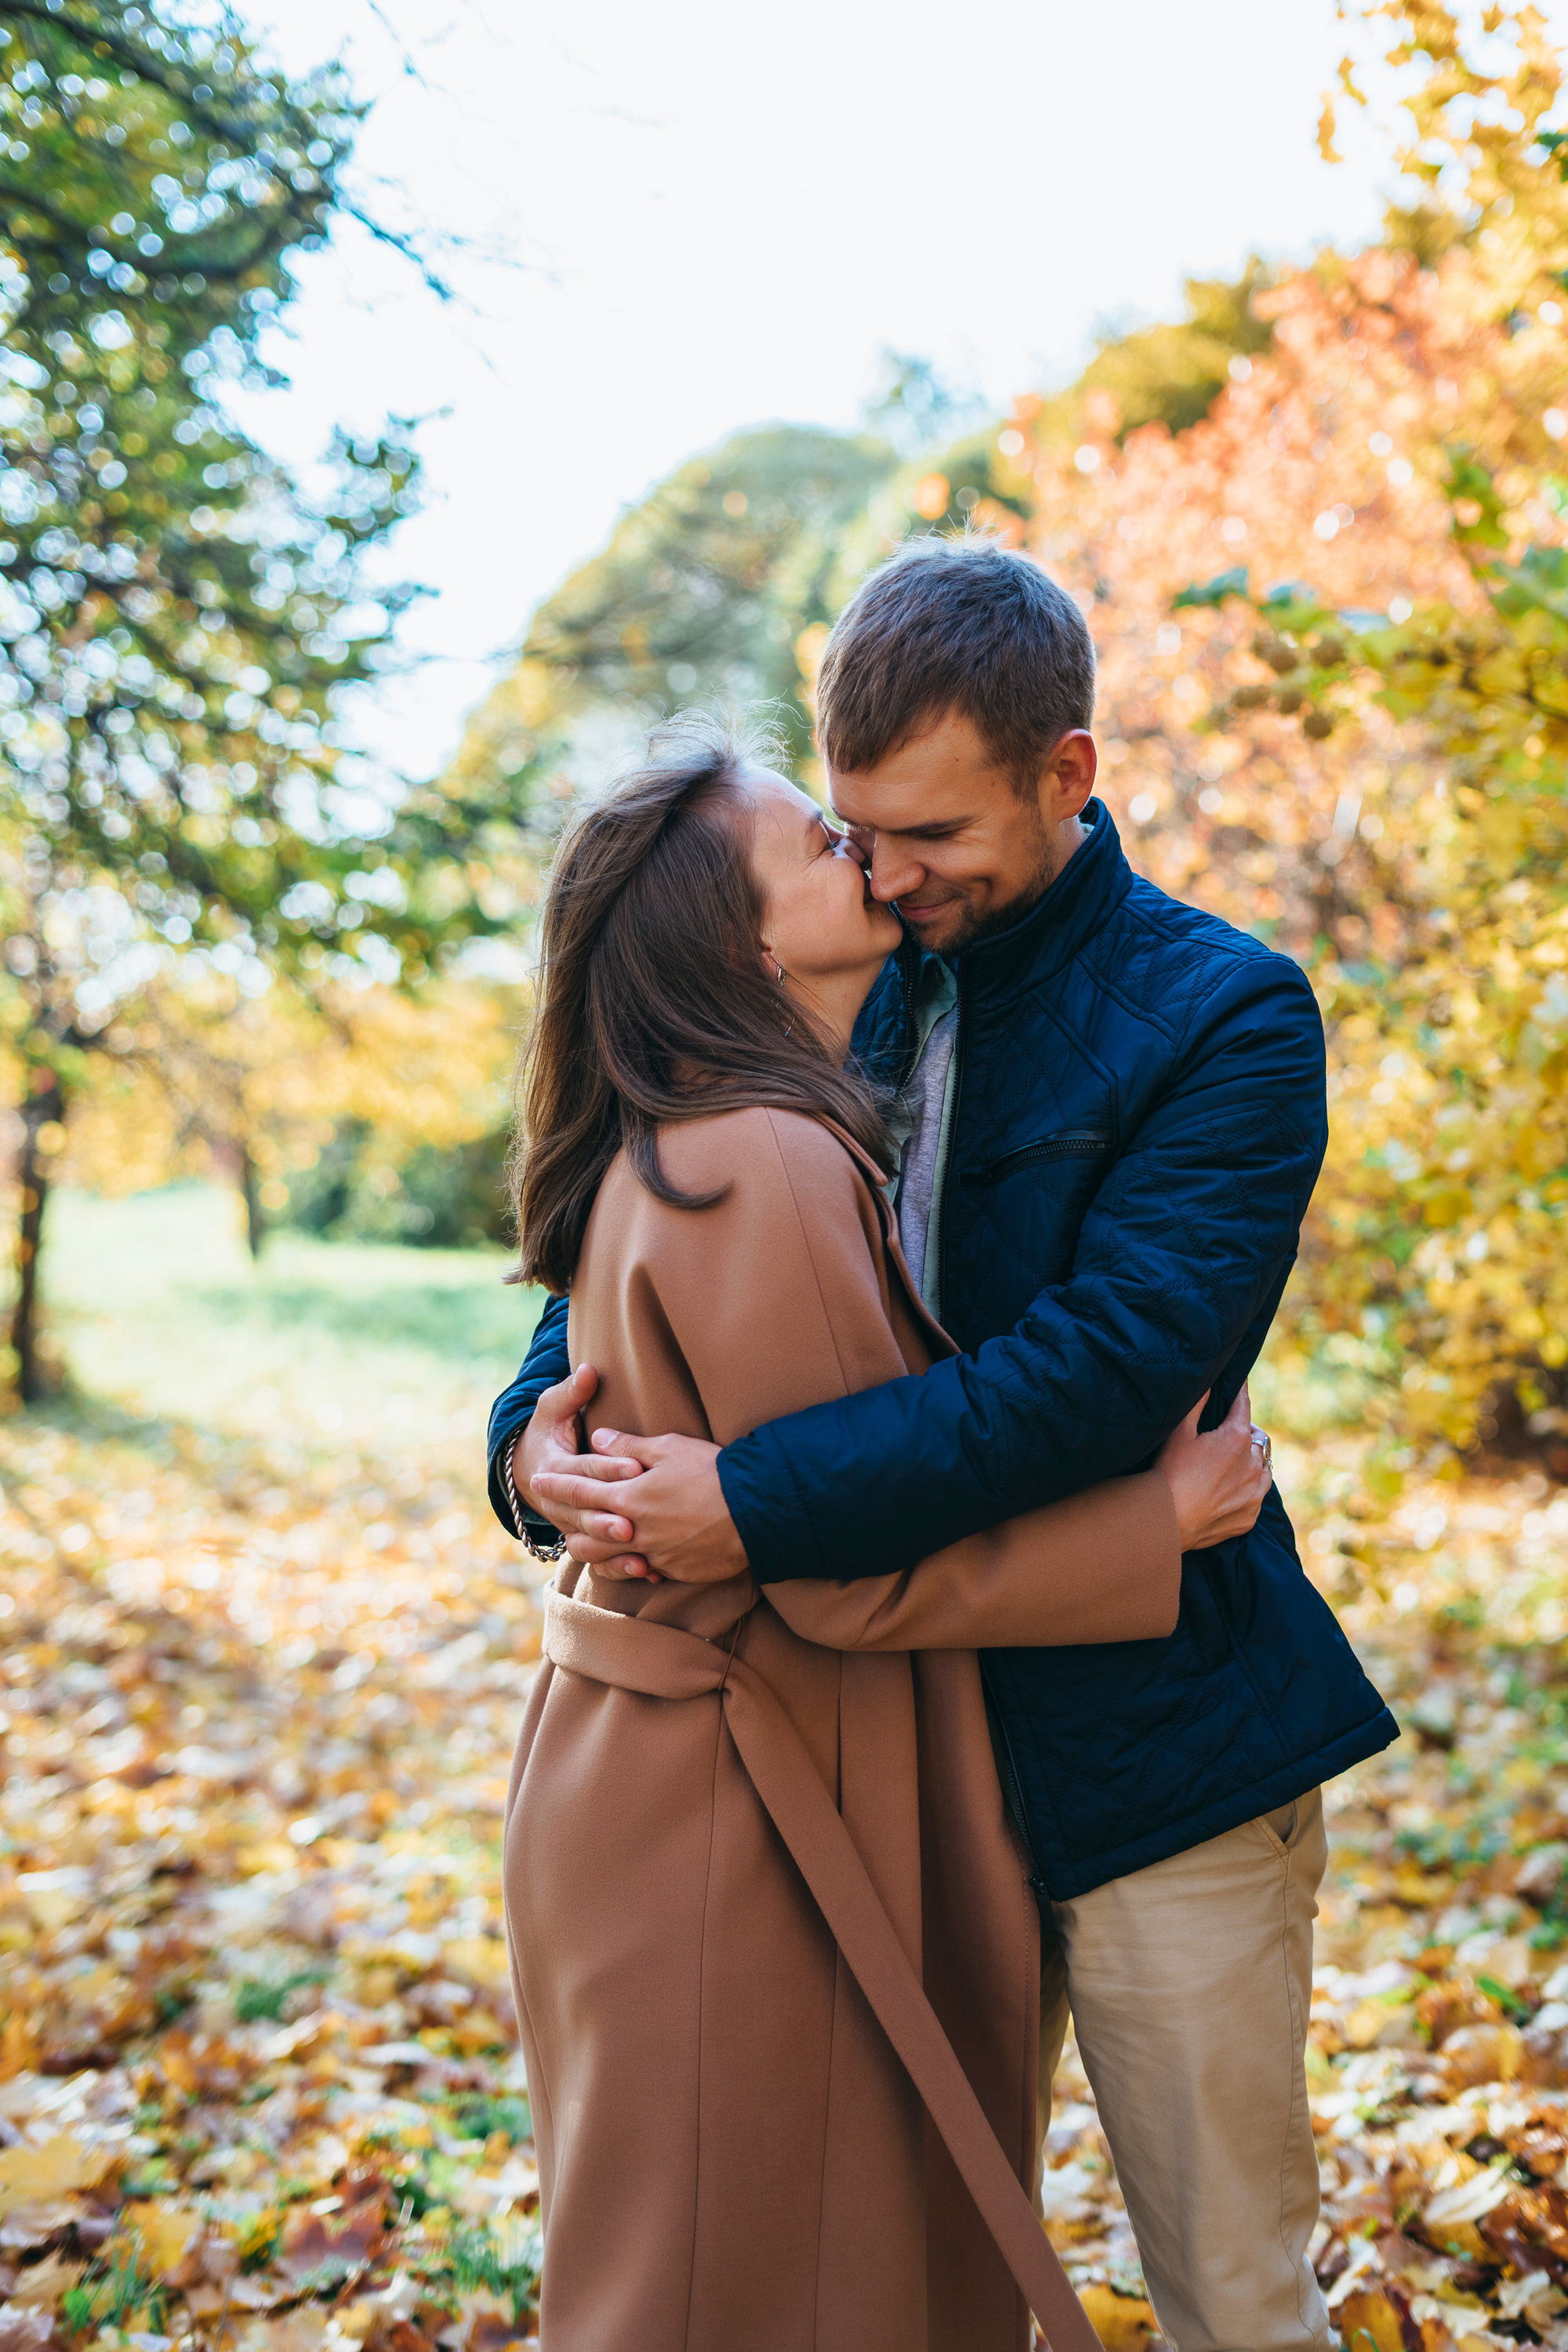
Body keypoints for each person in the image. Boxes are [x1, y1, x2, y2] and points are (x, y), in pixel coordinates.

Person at [493, 542, 1399, 2352]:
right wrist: (532, 1439)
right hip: (892, 1761)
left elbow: (1099, 1373)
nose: (889, 878)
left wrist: (741, 1504)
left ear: (1065, 776)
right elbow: (636, 1232)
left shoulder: (1224, 1016)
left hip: (1159, 1757)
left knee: (1225, 2288)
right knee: (910, 2269)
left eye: (928, 837)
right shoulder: (845, 972)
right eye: (851, 833)